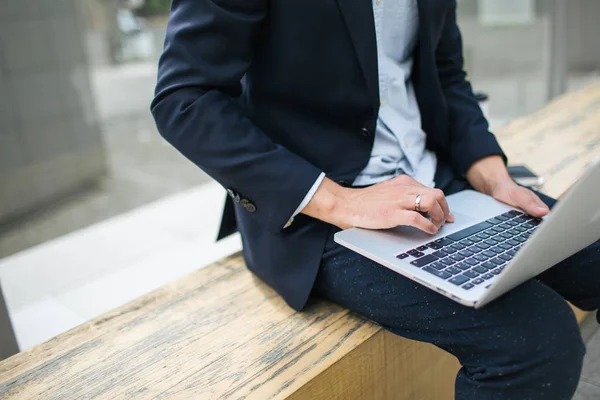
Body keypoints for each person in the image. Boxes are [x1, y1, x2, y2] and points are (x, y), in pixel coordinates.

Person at [151, 1, 599, 398]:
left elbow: (445, 73)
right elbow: (185, 98)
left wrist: (493, 176)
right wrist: (338, 201)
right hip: (323, 211)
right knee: (535, 344)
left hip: (440, 182)